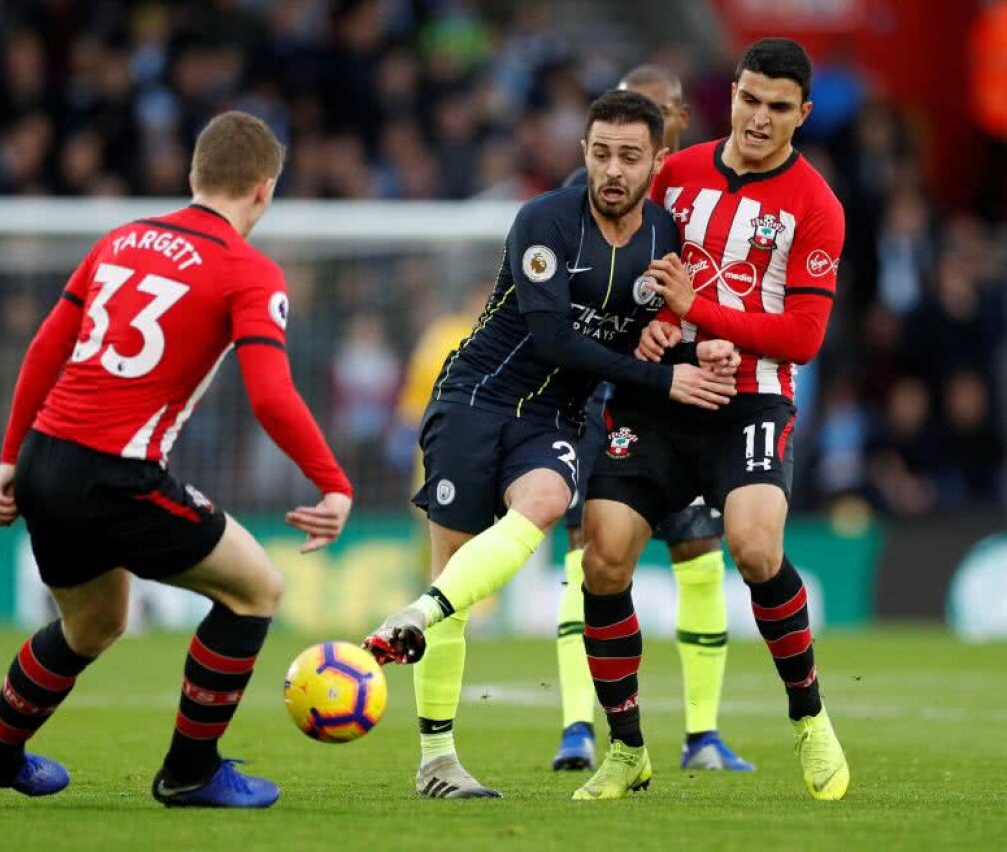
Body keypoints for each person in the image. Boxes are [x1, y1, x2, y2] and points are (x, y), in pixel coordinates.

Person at [0, 111, 354, 809]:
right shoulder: (248, 270)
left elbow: (48, 347)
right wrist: (332, 482)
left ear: (194, 175)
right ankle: (191, 771)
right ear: (264, 191)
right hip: (116, 474)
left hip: (47, 459)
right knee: (255, 589)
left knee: (93, 624)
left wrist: (11, 456)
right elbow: (271, 395)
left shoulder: (122, 239)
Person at [363, 90, 739, 799]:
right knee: (455, 569)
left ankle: (416, 614)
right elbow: (554, 338)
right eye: (601, 154)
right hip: (476, 399)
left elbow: (654, 325)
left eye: (629, 156)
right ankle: (437, 760)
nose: (613, 170)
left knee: (544, 502)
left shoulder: (666, 238)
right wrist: (663, 380)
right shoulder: (544, 221)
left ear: (657, 161)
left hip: (555, 420)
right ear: (584, 154)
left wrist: (682, 344)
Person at [574, 38, 849, 802]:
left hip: (752, 400)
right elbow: (633, 282)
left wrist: (703, 312)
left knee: (757, 549)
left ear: (804, 115)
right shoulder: (677, 173)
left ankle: (810, 719)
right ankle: (626, 749)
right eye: (750, 99)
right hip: (660, 393)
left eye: (779, 108)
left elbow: (802, 337)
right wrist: (651, 327)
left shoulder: (816, 206)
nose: (759, 119)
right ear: (730, 93)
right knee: (603, 559)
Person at [552, 64, 753, 774]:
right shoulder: (580, 205)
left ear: (677, 127)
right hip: (597, 401)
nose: (653, 120)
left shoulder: (695, 207)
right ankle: (579, 724)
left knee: (699, 554)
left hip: (677, 399)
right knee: (592, 557)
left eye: (663, 111)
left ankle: (702, 735)